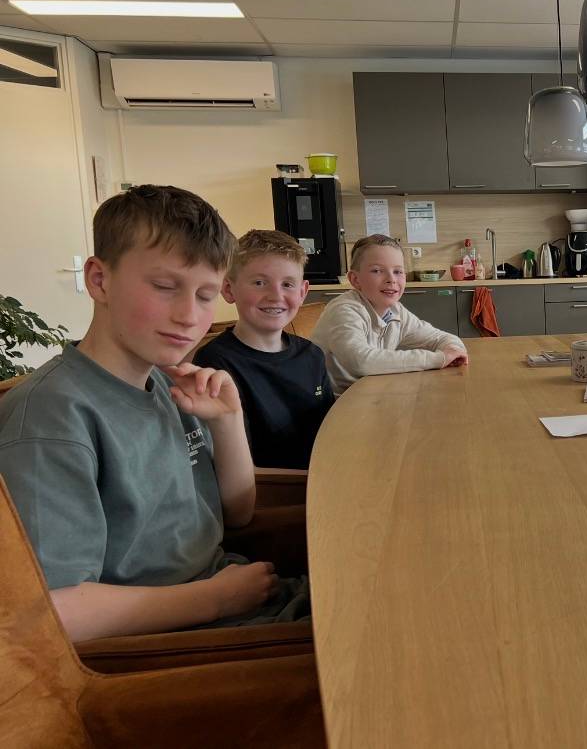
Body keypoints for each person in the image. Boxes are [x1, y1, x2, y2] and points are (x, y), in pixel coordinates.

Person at [0, 185, 309, 643]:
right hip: (180, 640)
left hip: (245, 596)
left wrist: (227, 421)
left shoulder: (167, 385)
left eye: (206, 295)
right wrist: (216, 599)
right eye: (165, 287)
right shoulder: (52, 418)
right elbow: (50, 611)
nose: (189, 315)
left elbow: (238, 514)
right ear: (99, 280)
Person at [193, 230, 334, 471]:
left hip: (324, 471)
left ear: (302, 292)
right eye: (259, 283)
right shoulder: (214, 363)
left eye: (287, 284)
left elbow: (329, 430)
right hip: (276, 486)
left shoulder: (312, 354)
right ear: (228, 289)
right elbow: (229, 462)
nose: (275, 296)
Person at [312, 234, 468, 394]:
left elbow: (441, 338)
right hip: (333, 402)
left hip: (370, 393)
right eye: (377, 270)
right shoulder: (344, 310)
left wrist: (453, 350)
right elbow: (361, 362)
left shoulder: (396, 311)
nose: (391, 279)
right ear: (355, 279)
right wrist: (439, 359)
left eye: (398, 271)